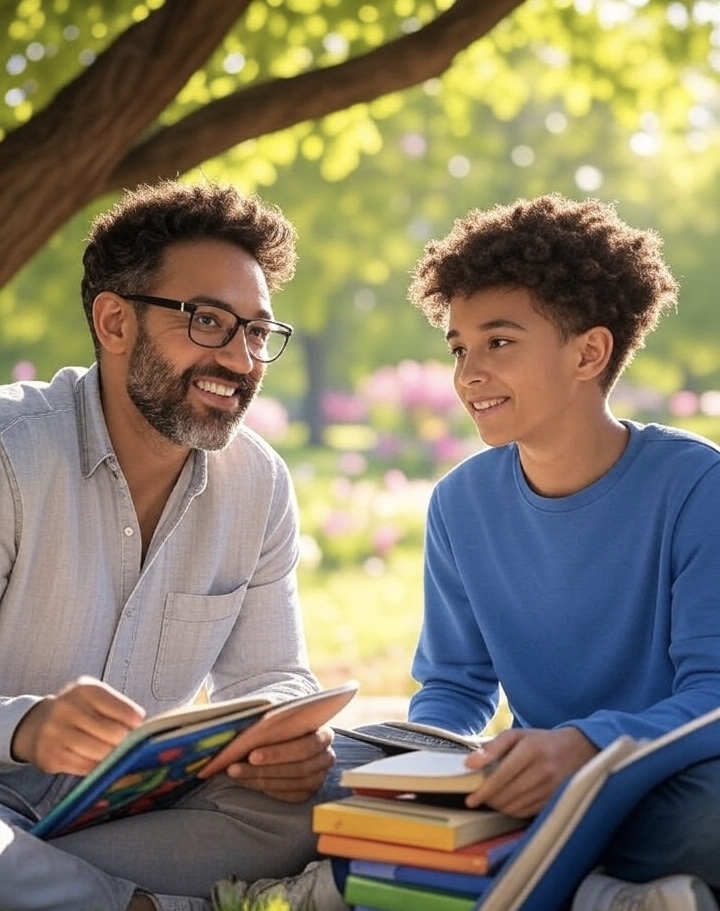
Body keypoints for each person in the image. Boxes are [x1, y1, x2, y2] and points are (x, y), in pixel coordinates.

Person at [0, 180, 349, 911]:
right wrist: (25, 726)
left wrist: (285, 746)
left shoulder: (259, 483)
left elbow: (275, 676)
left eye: (257, 333)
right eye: (210, 321)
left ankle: (65, 890)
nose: (242, 360)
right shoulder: (10, 455)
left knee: (341, 788)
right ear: (115, 322)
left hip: (133, 814)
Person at [404, 193, 720, 911]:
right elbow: (455, 687)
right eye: (459, 348)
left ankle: (549, 874)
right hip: (535, 781)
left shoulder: (698, 486)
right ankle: (603, 892)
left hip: (667, 775)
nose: (468, 373)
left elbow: (713, 693)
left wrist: (587, 745)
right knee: (338, 775)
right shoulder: (459, 503)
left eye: (499, 342)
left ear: (588, 352)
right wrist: (420, 764)